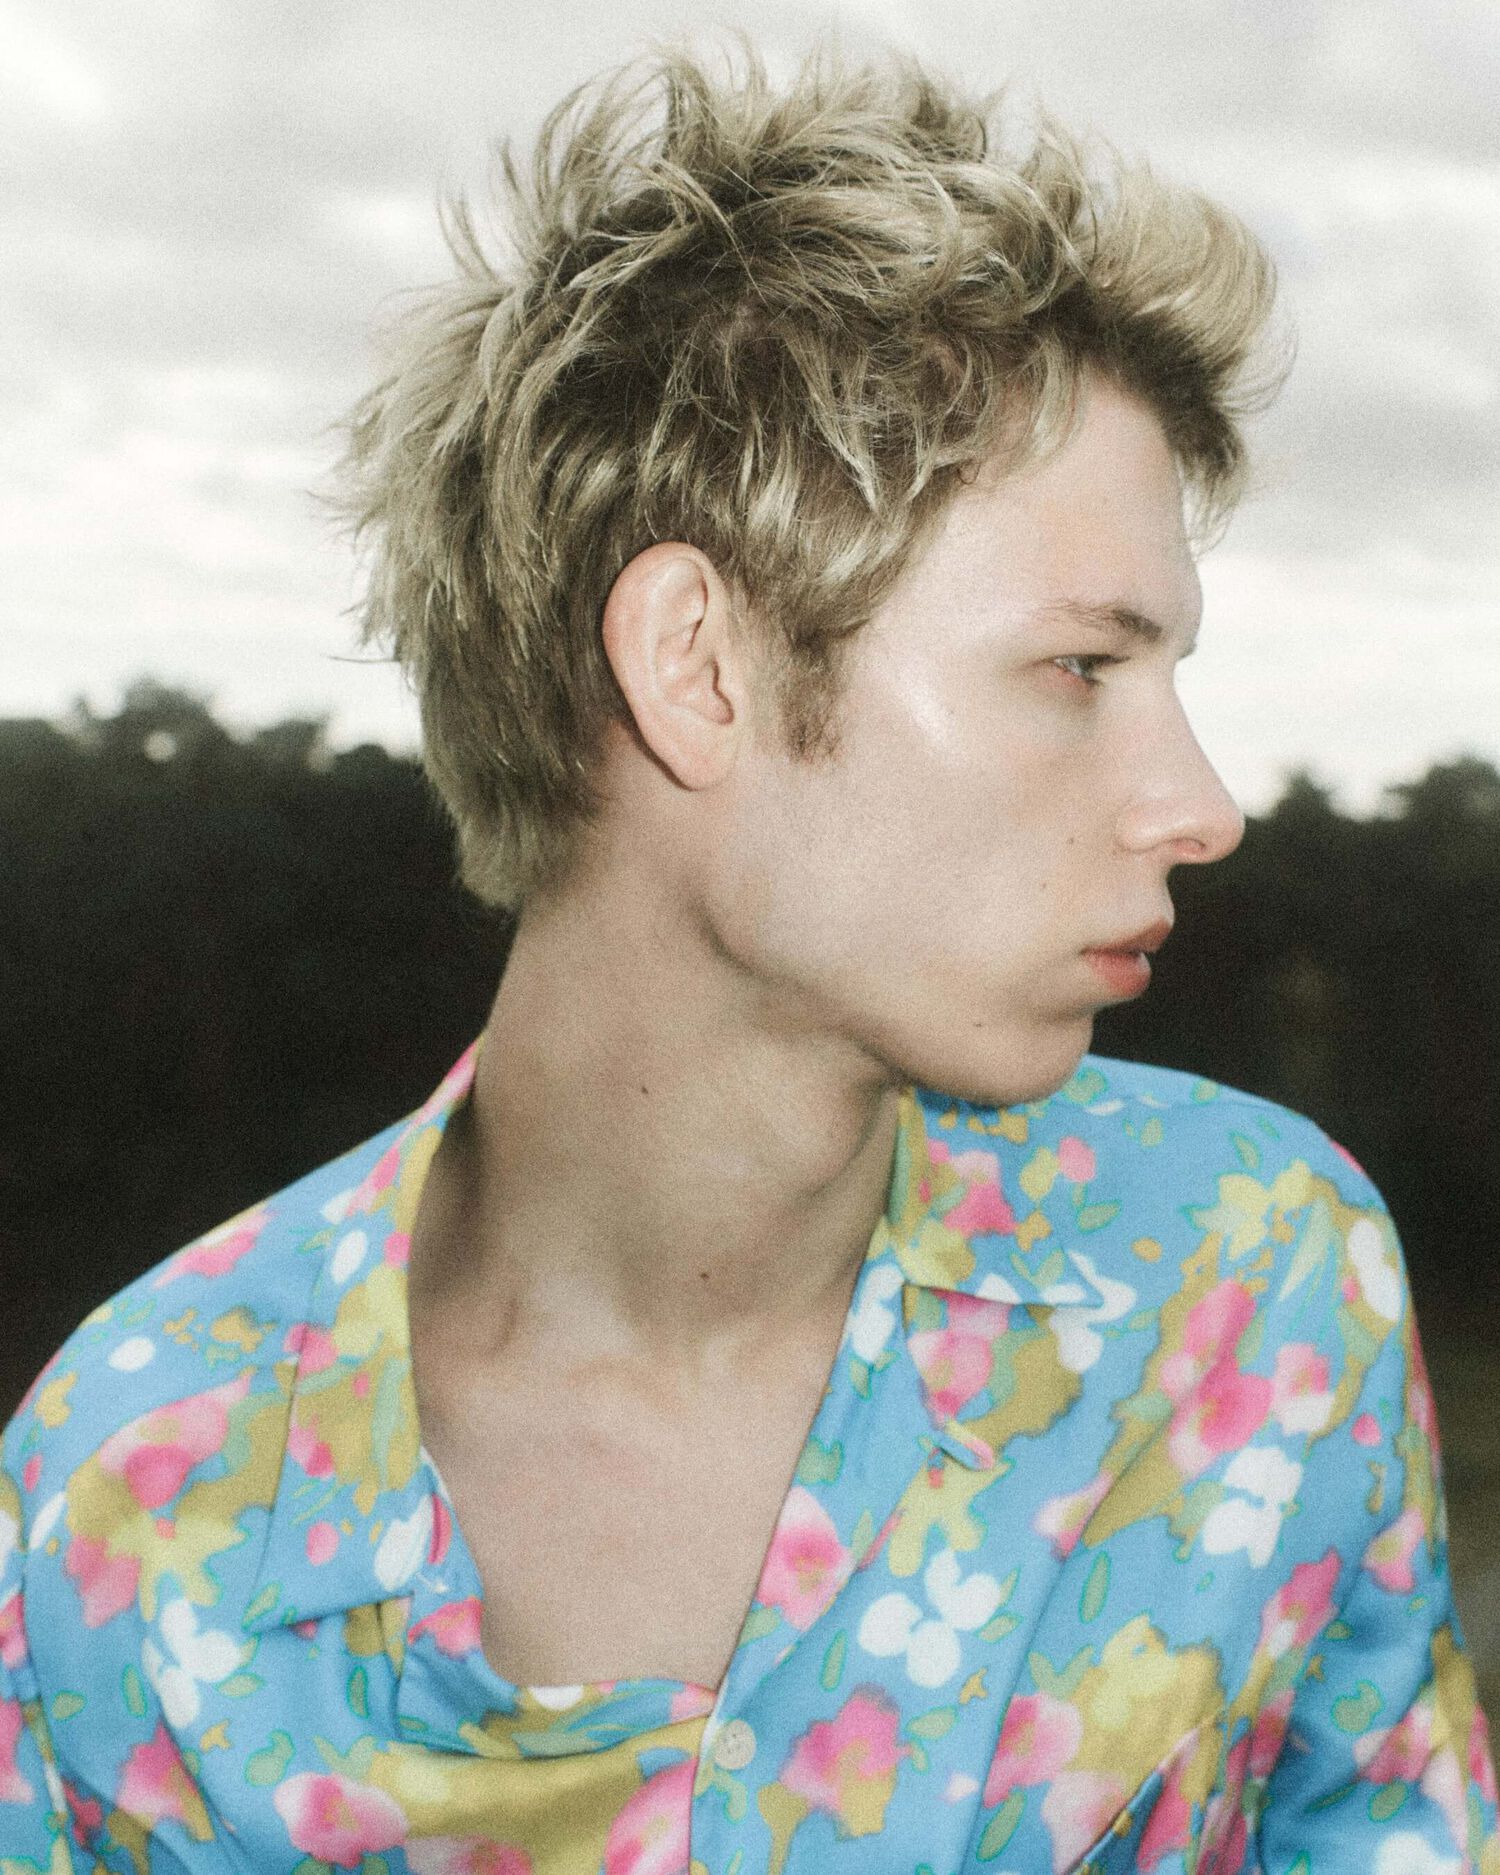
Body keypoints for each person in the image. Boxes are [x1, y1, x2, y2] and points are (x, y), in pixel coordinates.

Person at [2, 44, 1495, 1875]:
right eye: (1079, 670)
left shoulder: (1252, 1278)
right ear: (697, 664)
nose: (1197, 803)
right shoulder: (128, 1497)